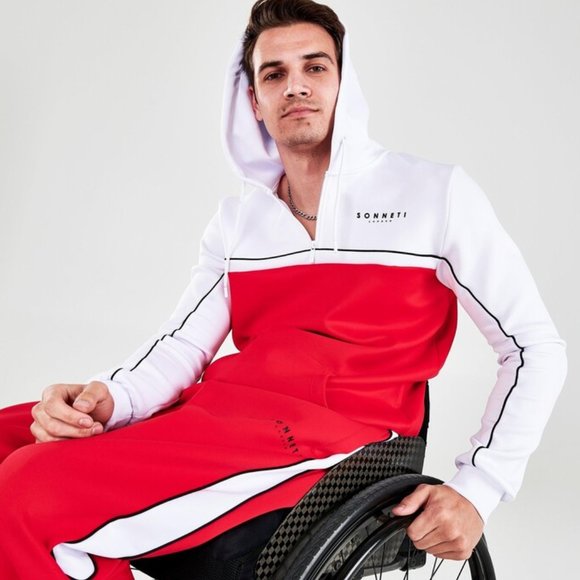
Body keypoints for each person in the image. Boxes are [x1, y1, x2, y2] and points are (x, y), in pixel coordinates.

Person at [0, 0, 567, 578]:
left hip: (336, 444)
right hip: (225, 418)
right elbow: (181, 346)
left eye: (315, 67)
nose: (296, 86)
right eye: (274, 74)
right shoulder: (239, 222)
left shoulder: (434, 195)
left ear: (343, 82)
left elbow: (532, 347)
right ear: (255, 101)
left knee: (29, 487)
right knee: (8, 438)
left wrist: (479, 488)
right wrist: (110, 398)